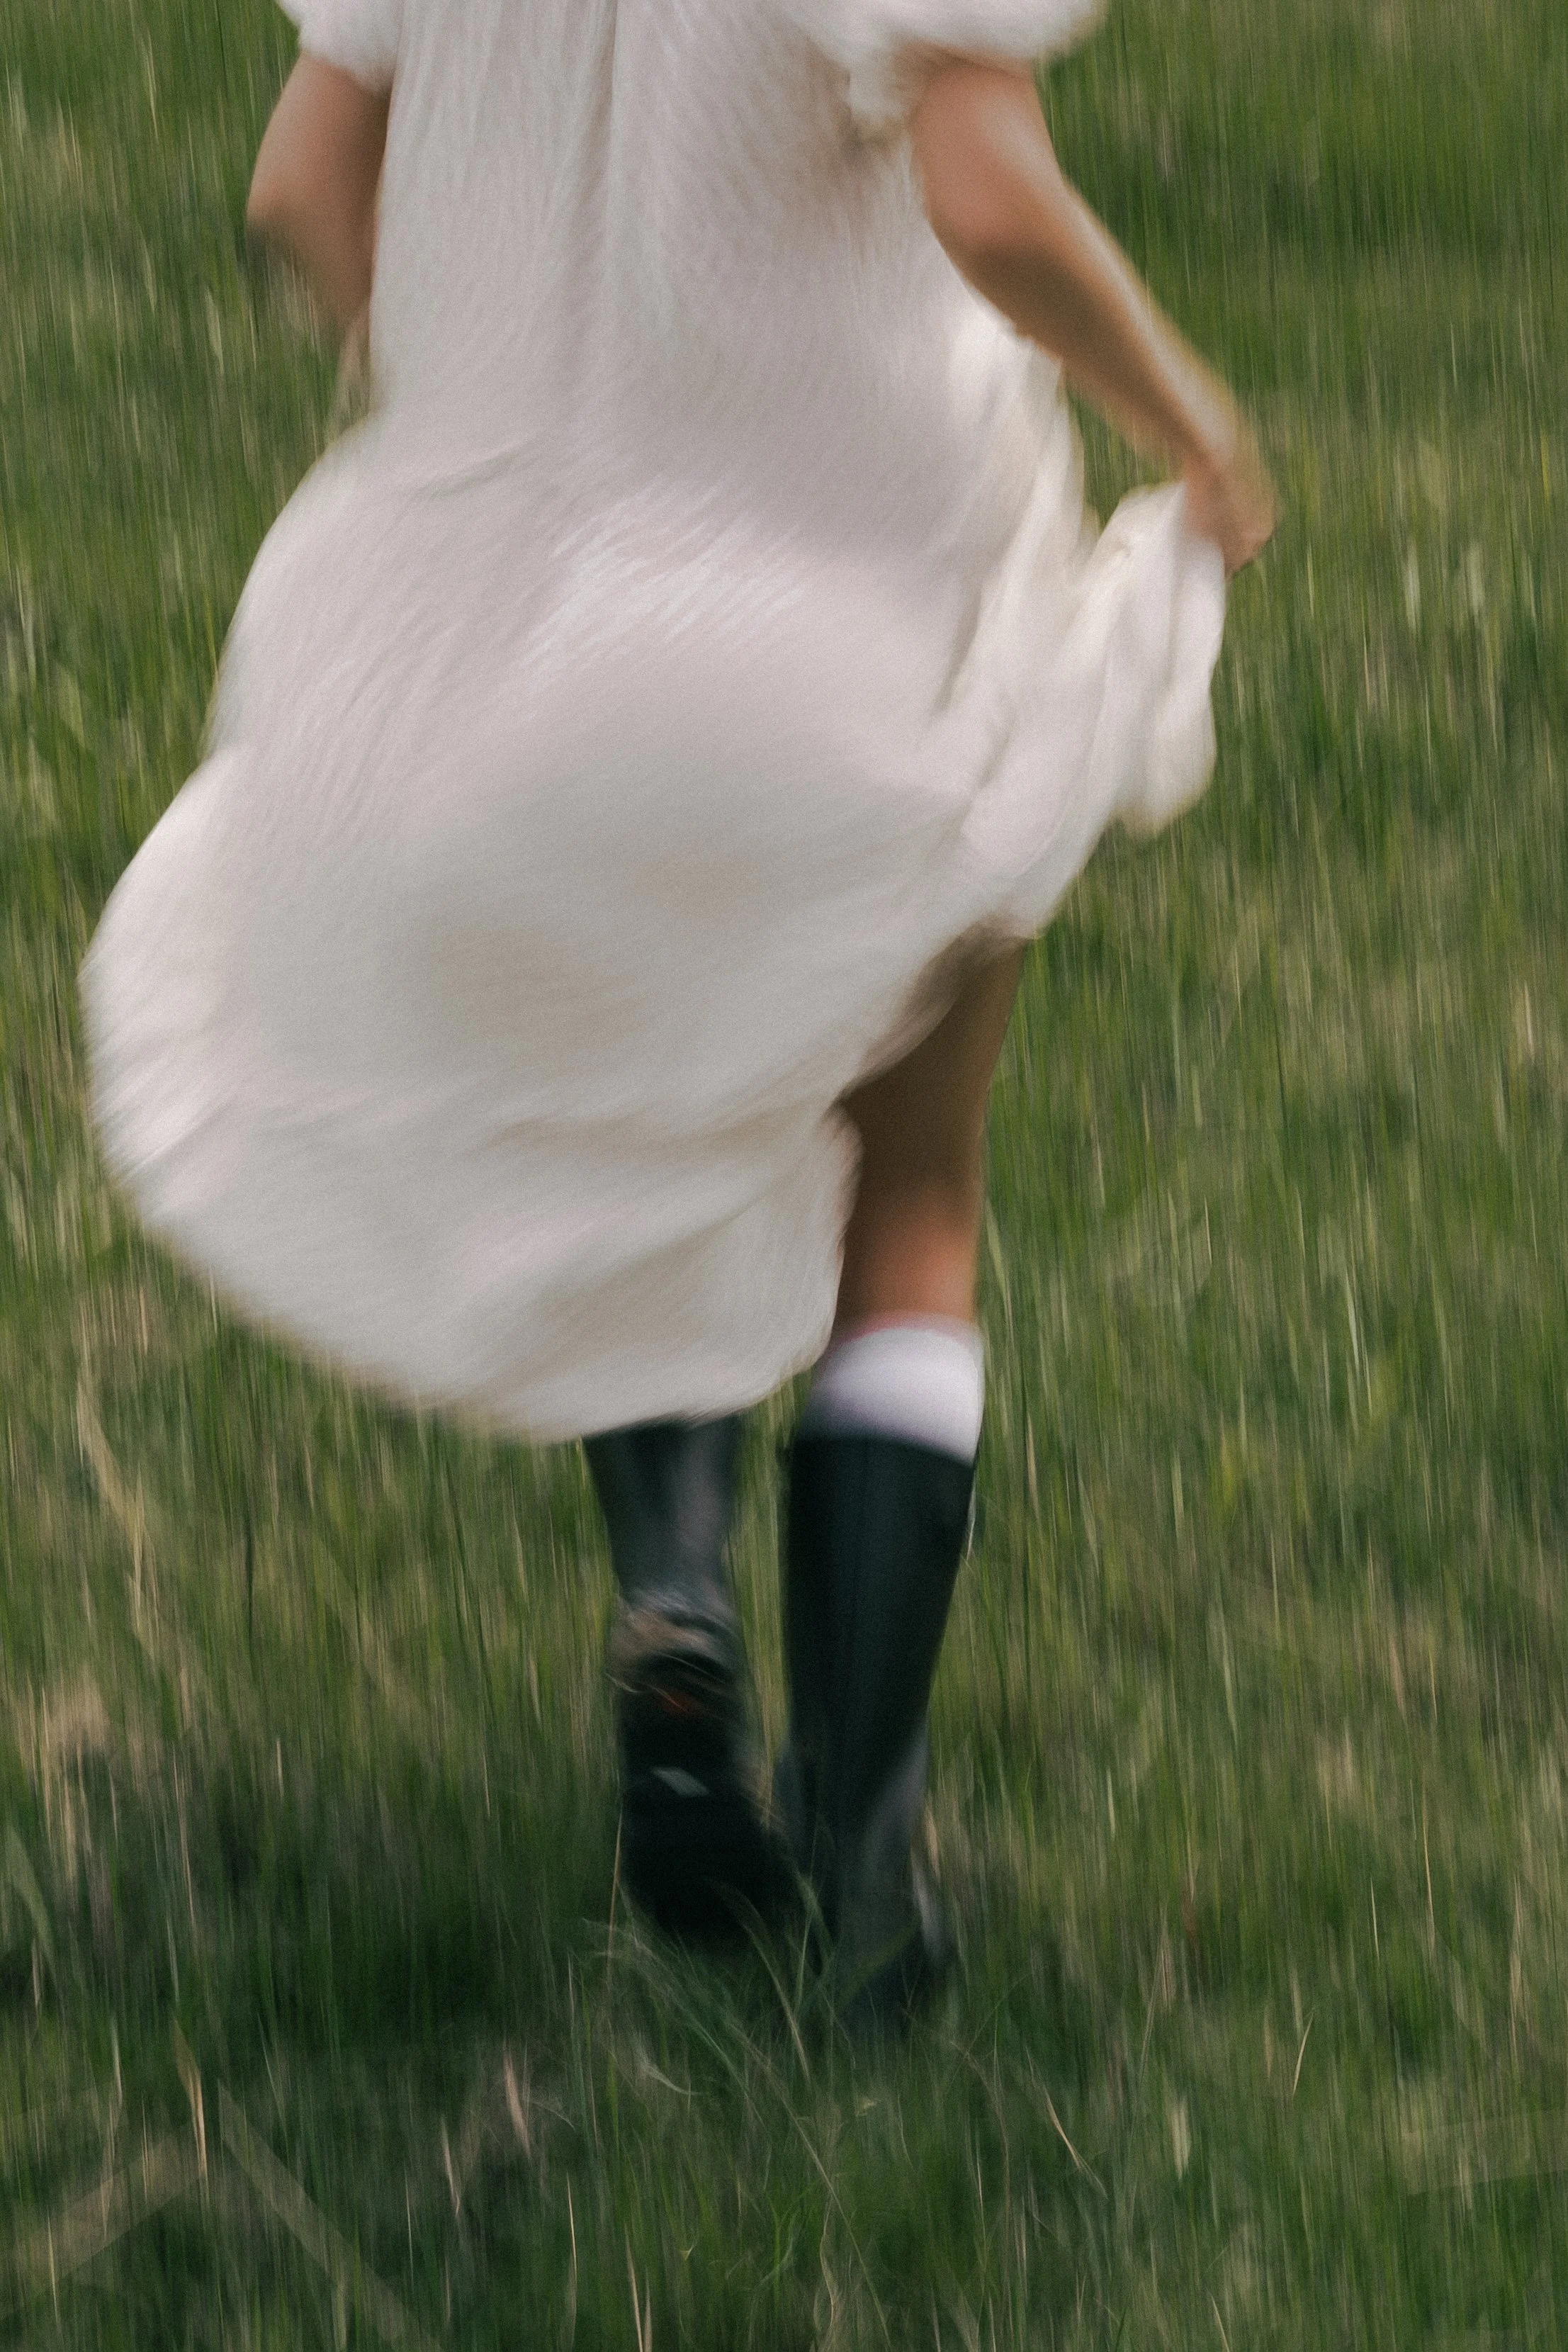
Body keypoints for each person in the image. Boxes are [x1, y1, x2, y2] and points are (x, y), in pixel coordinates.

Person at [81, 0, 1275, 2029]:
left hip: (496, 645)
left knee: (636, 1118)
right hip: (838, 628)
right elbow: (982, 195)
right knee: (905, 1195)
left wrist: (467, 432)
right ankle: (865, 1867)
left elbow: (301, 181)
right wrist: (1199, 431)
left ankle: (673, 1612)